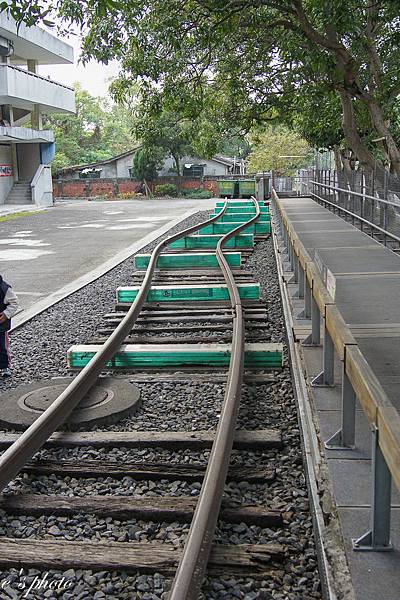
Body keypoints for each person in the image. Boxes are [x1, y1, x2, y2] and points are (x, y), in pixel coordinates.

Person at [0, 275, 20, 377]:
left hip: (1, 325)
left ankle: (5, 366)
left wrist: (6, 314)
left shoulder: (4, 288)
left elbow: (14, 303)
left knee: (2, 347)